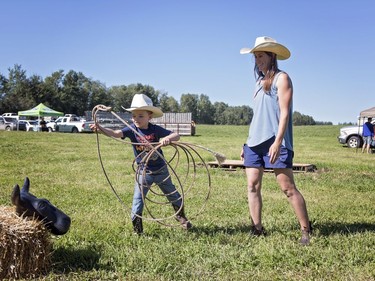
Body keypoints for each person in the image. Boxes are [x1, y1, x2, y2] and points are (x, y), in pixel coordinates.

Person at [239, 36, 311, 245]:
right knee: (252, 185)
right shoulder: (258, 83)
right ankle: (257, 229)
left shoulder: (282, 79)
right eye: (255, 56)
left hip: (275, 141)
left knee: (287, 187)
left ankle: (305, 230)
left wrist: (278, 141)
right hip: (254, 143)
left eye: (260, 55)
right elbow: (258, 116)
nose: (257, 60)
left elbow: (285, 113)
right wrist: (247, 142)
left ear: (272, 56)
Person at [90, 94, 192, 234]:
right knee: (138, 200)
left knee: (173, 194)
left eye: (140, 116)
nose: (136, 119)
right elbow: (115, 133)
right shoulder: (131, 130)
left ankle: (181, 218)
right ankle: (138, 230)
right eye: (134, 116)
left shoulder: (155, 129)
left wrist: (167, 139)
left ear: (149, 116)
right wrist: (100, 129)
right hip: (144, 172)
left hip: (161, 170)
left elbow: (176, 135)